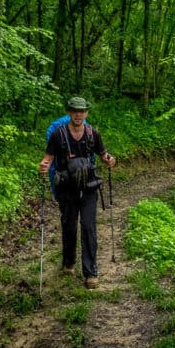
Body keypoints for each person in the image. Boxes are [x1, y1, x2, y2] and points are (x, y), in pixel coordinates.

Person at [39, 96, 116, 289]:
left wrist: (109, 160)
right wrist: (44, 166)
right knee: (69, 226)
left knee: (89, 227)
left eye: (81, 111)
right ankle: (69, 262)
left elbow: (103, 154)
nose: (78, 114)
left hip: (88, 187)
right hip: (67, 188)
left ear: (86, 113)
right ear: (69, 112)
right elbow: (48, 158)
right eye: (74, 111)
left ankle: (91, 273)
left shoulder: (92, 134)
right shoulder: (58, 135)